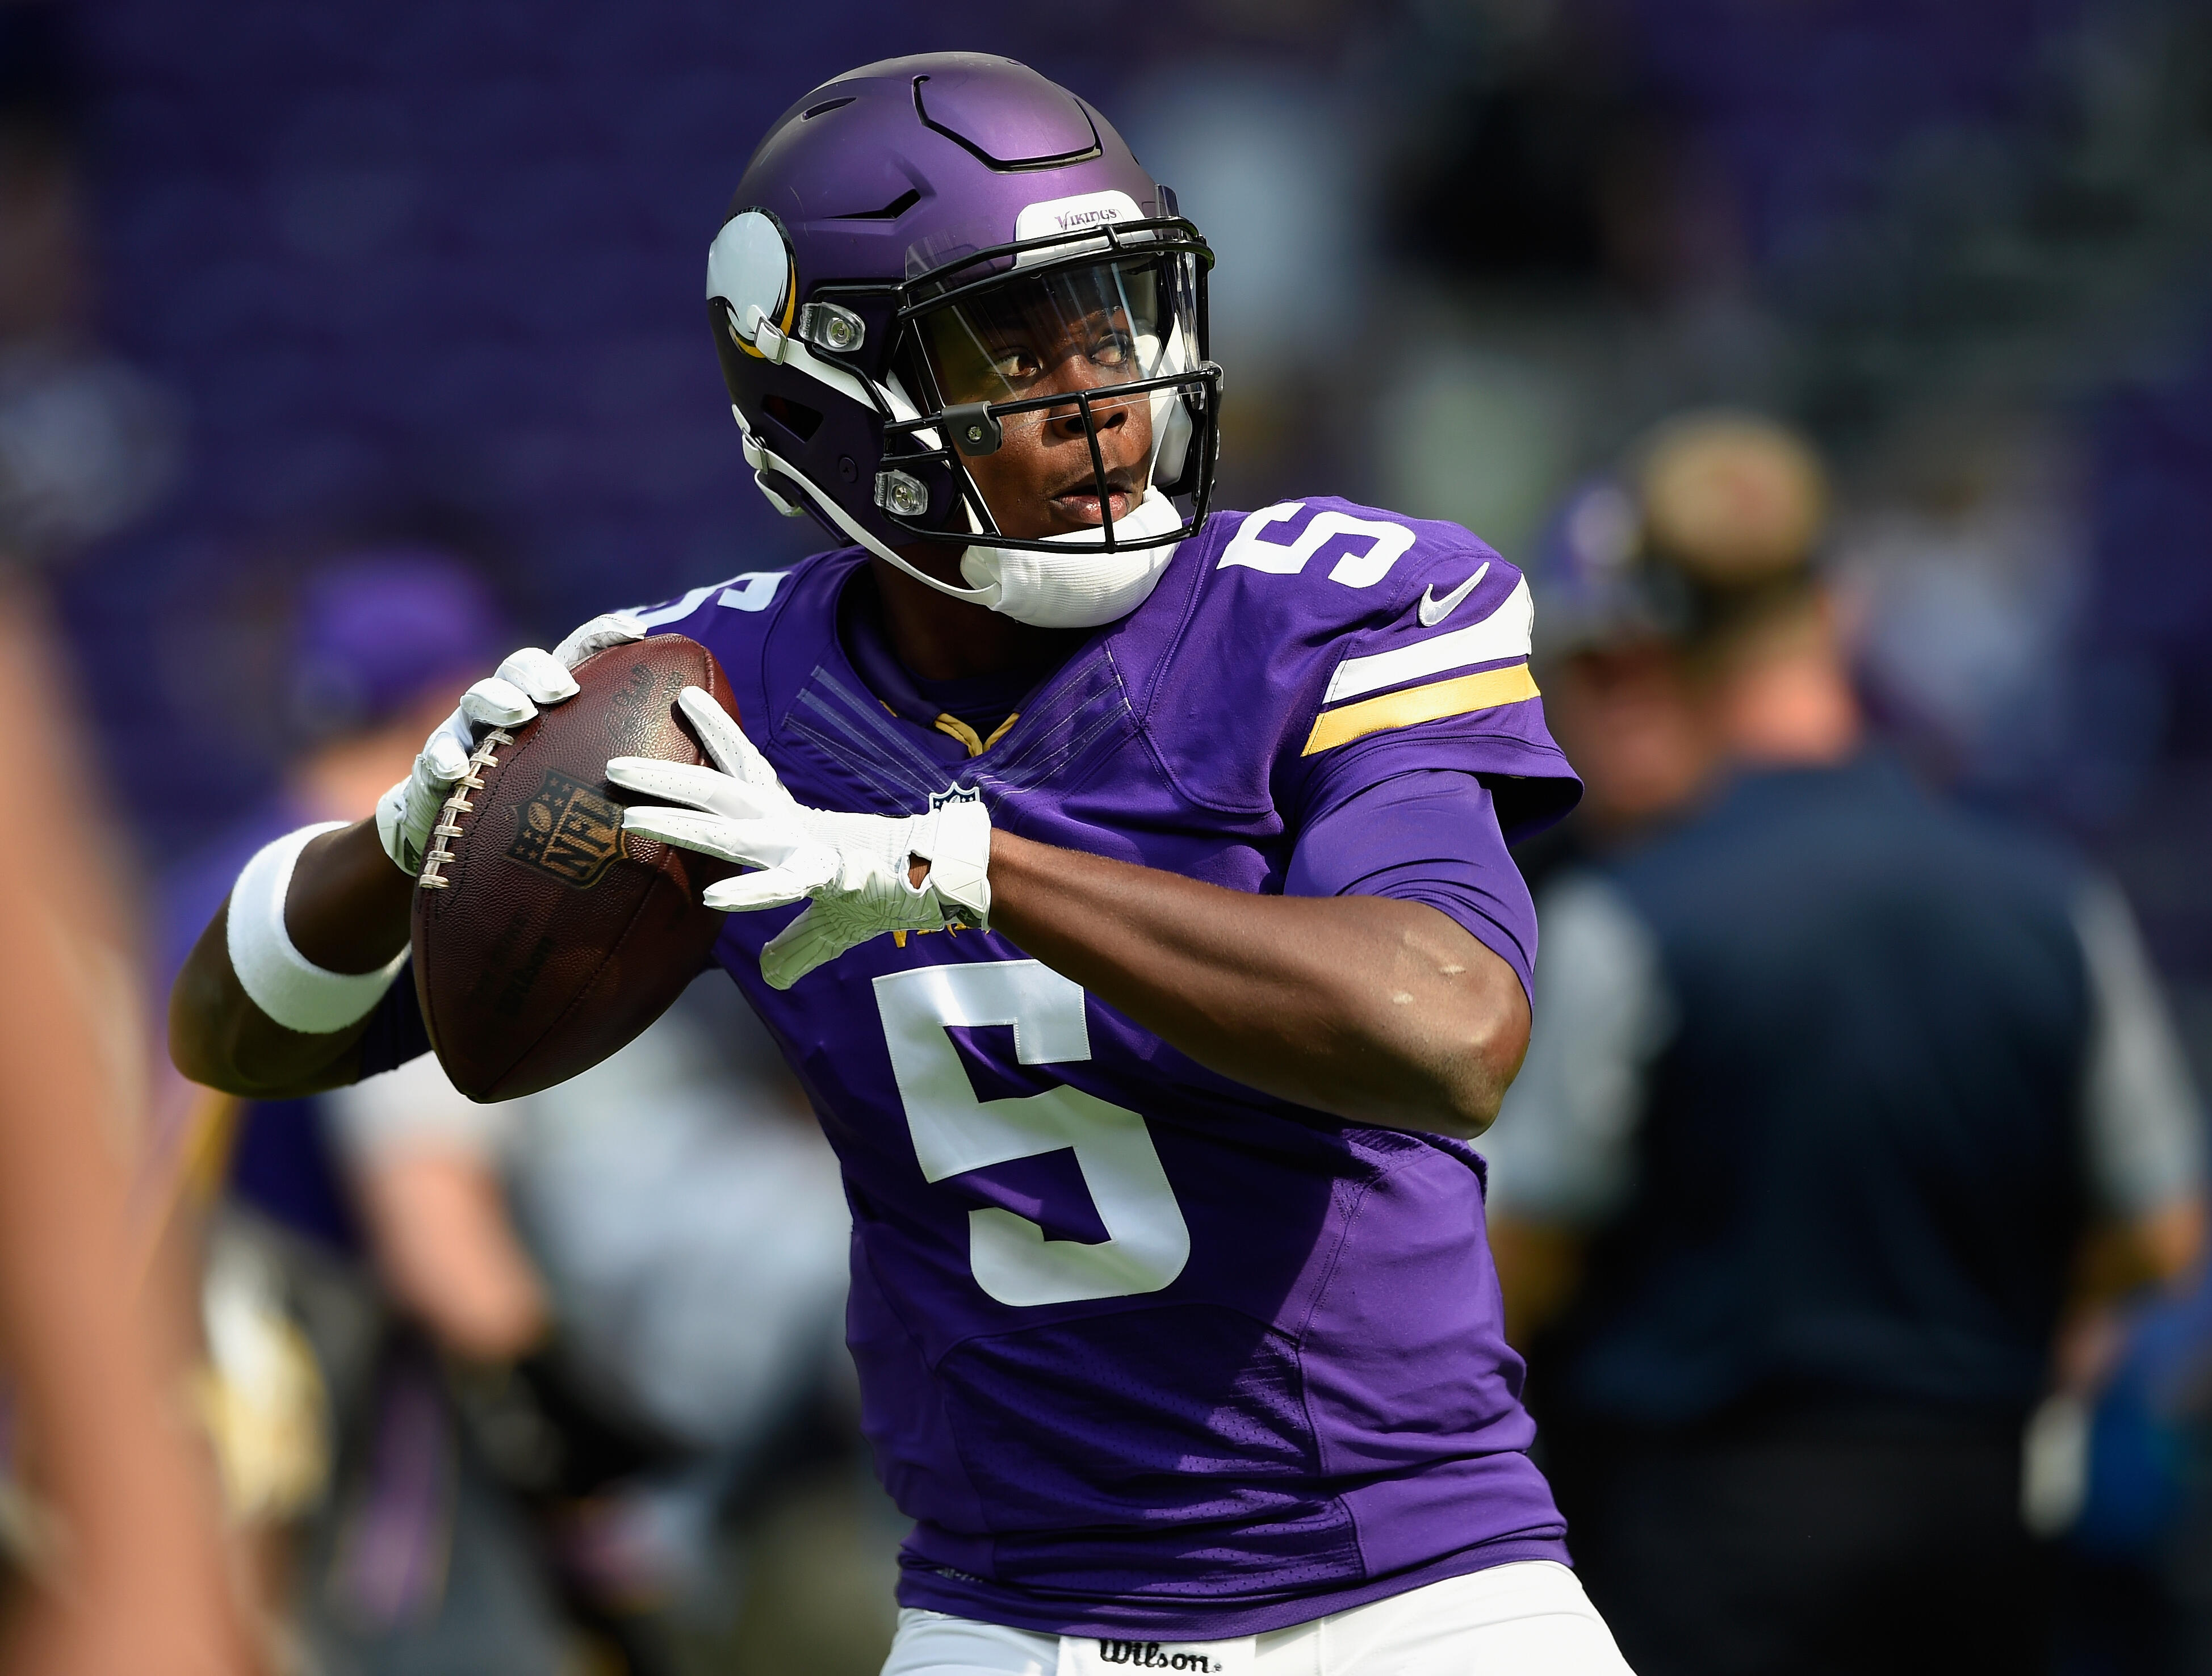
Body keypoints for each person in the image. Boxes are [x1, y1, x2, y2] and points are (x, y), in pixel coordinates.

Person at [170, 53, 1633, 1674]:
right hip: (999, 1618)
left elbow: (1449, 1032)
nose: (1104, 400)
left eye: (1116, 315)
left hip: (1411, 1596)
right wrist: (398, 845)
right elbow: (245, 1038)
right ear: (823, 393)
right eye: (1010, 344)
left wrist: (960, 866)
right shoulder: (704, 699)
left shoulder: (1327, 609)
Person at [1482, 412, 2209, 1676]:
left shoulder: (1631, 922)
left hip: (1692, 1525)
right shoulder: (2050, 903)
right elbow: (2156, 1233)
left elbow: (1509, 1268)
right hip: (1979, 1517)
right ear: (1837, 610)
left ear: (1660, 641)